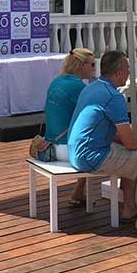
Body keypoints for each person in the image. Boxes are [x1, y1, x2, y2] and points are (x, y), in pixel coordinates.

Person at [67, 51, 137, 236]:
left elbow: (120, 138)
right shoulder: (114, 97)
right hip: (91, 157)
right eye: (127, 69)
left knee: (136, 154)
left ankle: (129, 207)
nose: (129, 73)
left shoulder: (91, 87)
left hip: (76, 151)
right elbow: (131, 142)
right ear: (118, 73)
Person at [37, 48, 95, 205]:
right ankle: (126, 195)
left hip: (49, 145)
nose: (94, 69)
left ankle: (78, 192)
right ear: (82, 65)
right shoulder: (79, 87)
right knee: (114, 145)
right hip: (65, 150)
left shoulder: (56, 82)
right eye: (92, 64)